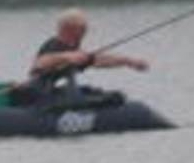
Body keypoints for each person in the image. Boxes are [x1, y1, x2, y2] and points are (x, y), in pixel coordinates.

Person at [13, 8, 148, 105]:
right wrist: (66, 57)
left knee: (113, 97)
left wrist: (129, 61)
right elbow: (41, 63)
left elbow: (98, 60)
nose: (85, 33)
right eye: (82, 29)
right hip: (39, 95)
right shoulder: (53, 45)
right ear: (69, 29)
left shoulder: (75, 51)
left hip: (56, 93)